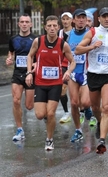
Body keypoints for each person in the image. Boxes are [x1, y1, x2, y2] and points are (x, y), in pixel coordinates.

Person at [75, 7, 108, 154]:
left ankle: (102, 141)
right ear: (99, 19)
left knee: (106, 107)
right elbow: (78, 50)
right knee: (95, 108)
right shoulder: (92, 32)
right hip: (93, 74)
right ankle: (99, 122)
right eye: (103, 16)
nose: (106, 19)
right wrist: (92, 46)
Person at [25, 15, 76, 150]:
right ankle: (49, 122)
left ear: (58, 27)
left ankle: (49, 139)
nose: (52, 28)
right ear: (45, 27)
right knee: (40, 115)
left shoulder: (62, 44)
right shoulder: (38, 41)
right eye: (49, 26)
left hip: (55, 83)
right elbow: (30, 56)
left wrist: (68, 72)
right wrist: (29, 72)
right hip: (40, 83)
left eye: (54, 26)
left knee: (51, 113)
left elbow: (73, 62)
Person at [6, 14, 37, 142]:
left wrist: (36, 63)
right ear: (19, 24)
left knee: (29, 106)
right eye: (22, 22)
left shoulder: (36, 39)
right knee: (16, 100)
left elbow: (40, 55)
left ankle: (38, 96)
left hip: (31, 74)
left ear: (30, 24)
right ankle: (19, 130)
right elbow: (11, 52)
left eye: (27, 22)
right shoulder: (13, 39)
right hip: (18, 73)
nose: (24, 24)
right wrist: (9, 58)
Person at [67, 9, 95, 142]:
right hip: (73, 72)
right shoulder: (68, 35)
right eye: (78, 17)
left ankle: (88, 109)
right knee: (73, 103)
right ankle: (78, 130)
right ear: (74, 20)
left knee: (84, 102)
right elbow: (63, 52)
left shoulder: (91, 34)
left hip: (86, 73)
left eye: (84, 18)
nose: (81, 20)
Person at [58, 12, 73, 123]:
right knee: (62, 89)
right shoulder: (59, 33)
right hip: (62, 64)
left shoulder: (76, 32)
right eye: (63, 19)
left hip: (75, 63)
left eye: (67, 19)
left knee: (79, 95)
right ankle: (66, 112)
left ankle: (85, 110)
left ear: (71, 20)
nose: (65, 21)